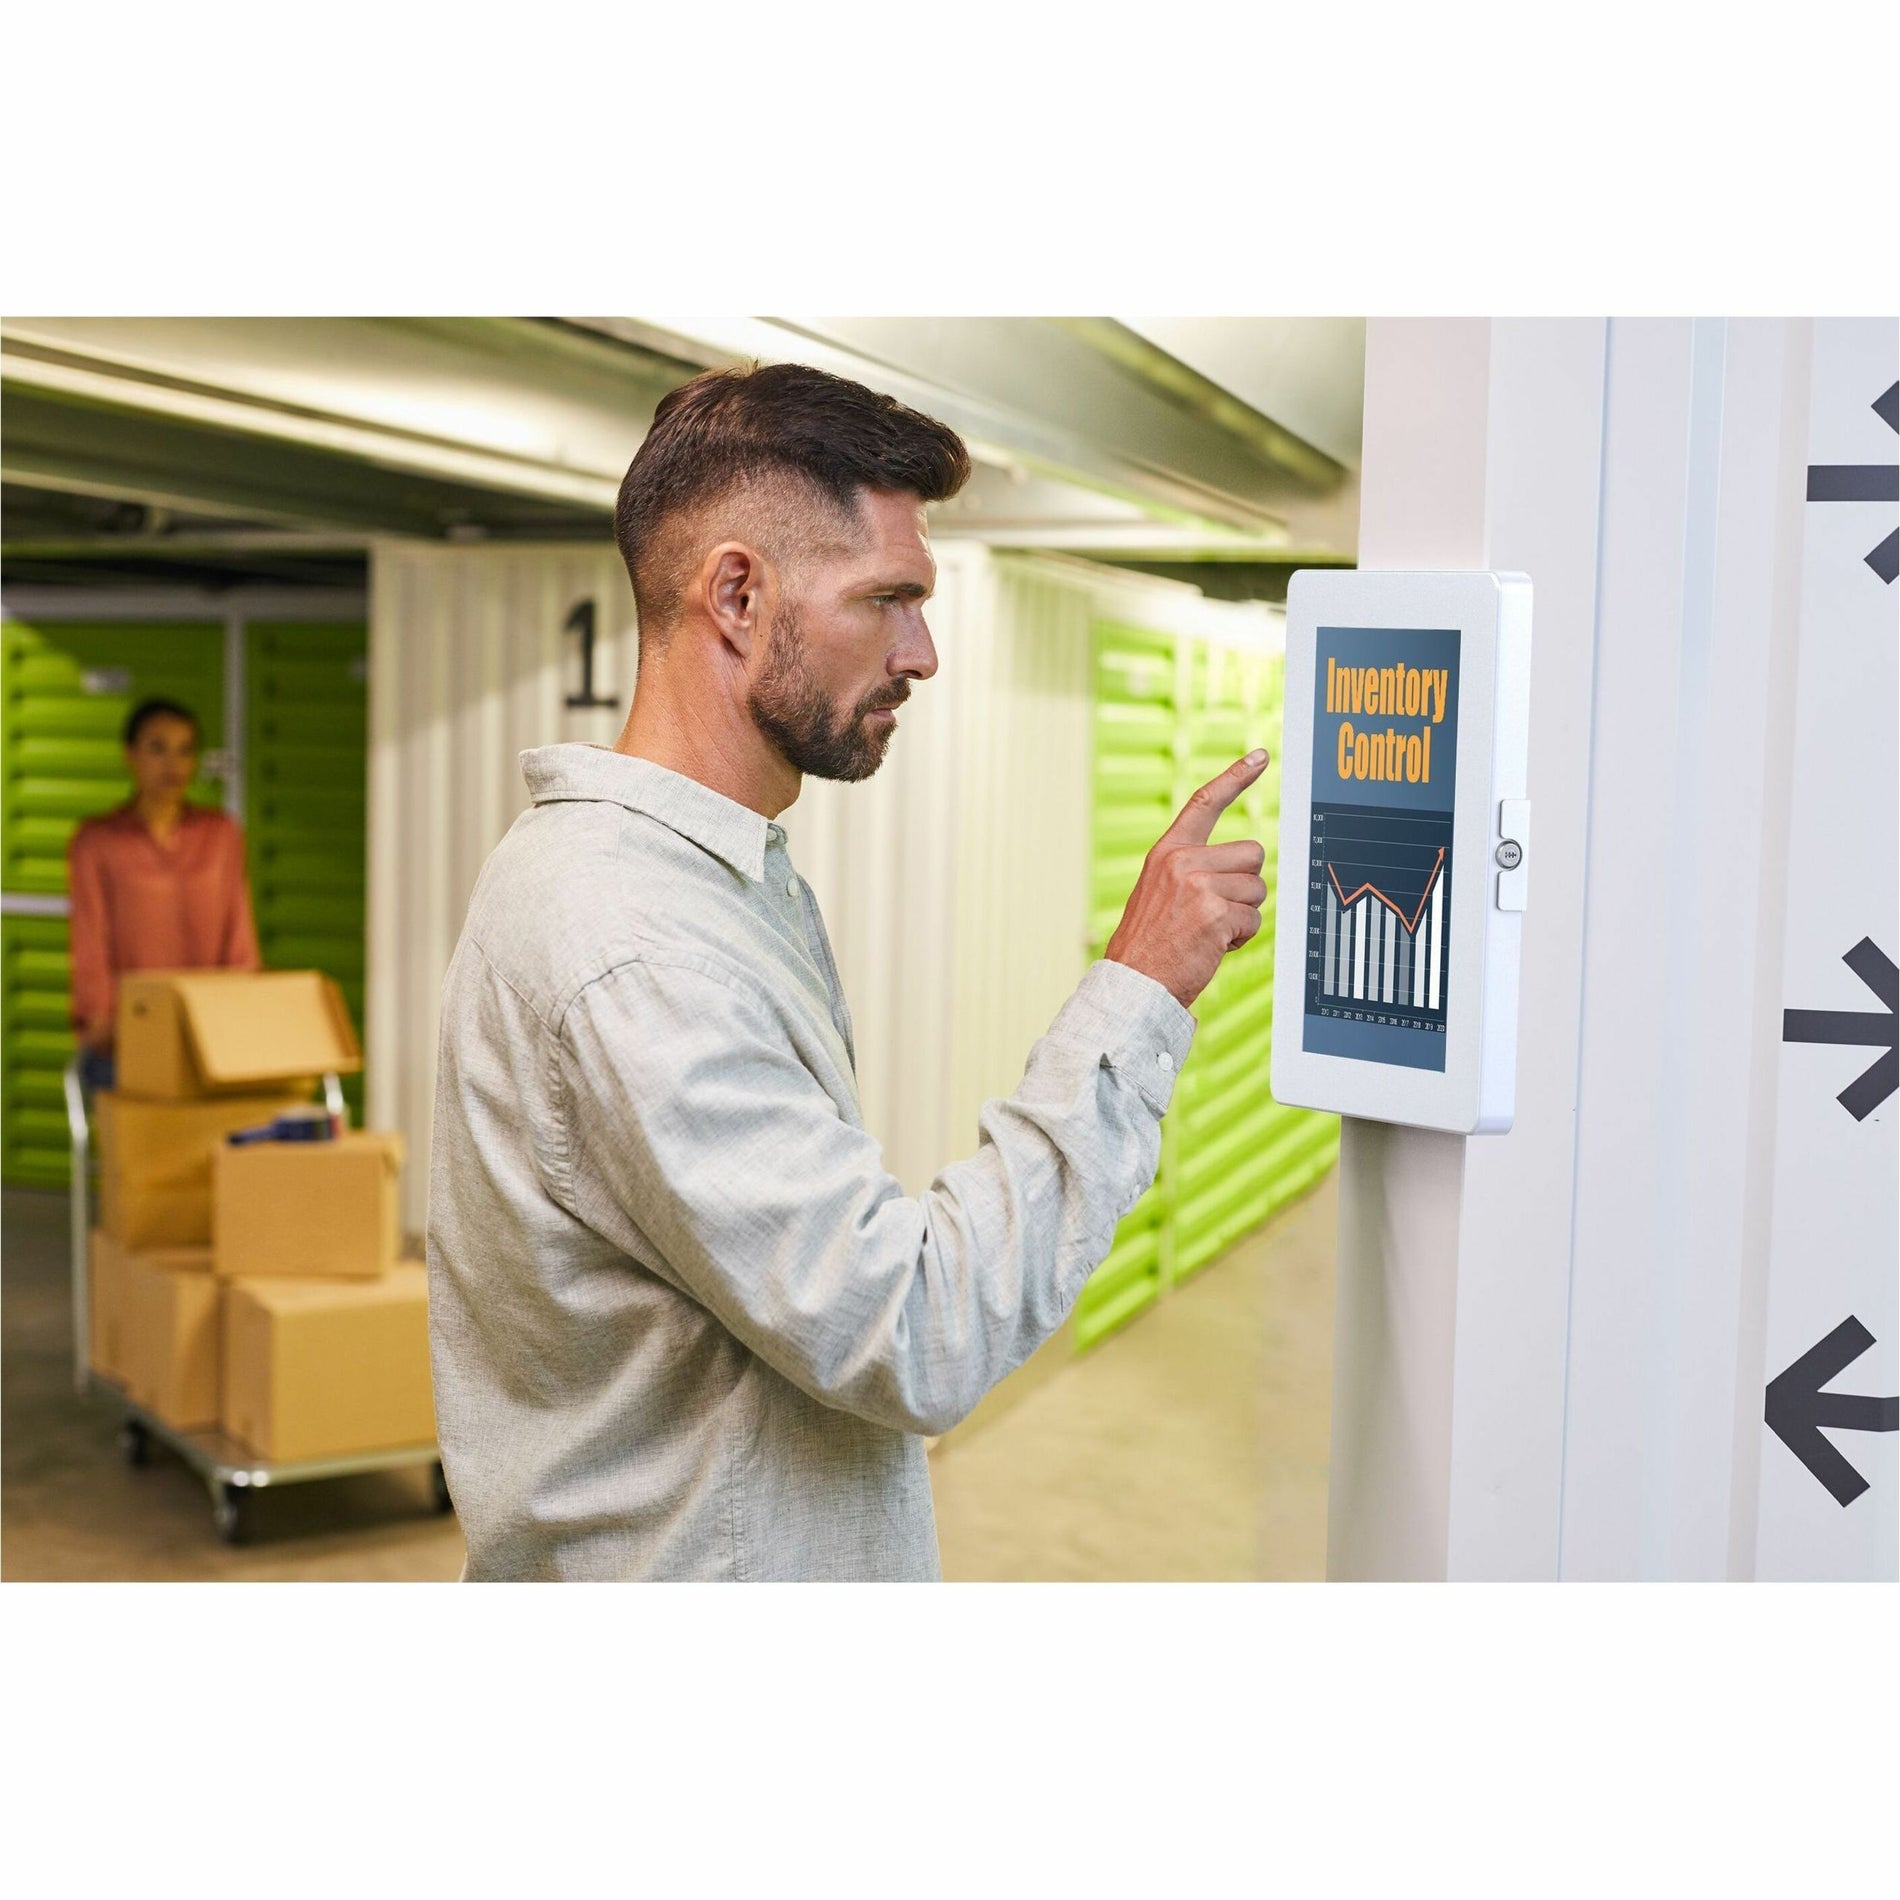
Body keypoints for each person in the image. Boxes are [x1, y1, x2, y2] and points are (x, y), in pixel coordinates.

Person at [428, 363, 1271, 1581]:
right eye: (887, 598)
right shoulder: (636, 945)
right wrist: (1135, 988)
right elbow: (914, 1329)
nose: (921, 652)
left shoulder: (696, 880)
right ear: (736, 593)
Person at [67, 698, 261, 1088]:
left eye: (185, 750)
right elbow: (89, 937)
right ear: (130, 756)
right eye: (157, 748)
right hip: (130, 1036)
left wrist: (245, 1006)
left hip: (209, 1034)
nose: (172, 764)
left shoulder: (220, 834)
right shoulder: (97, 842)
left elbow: (239, 931)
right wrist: (100, 1020)